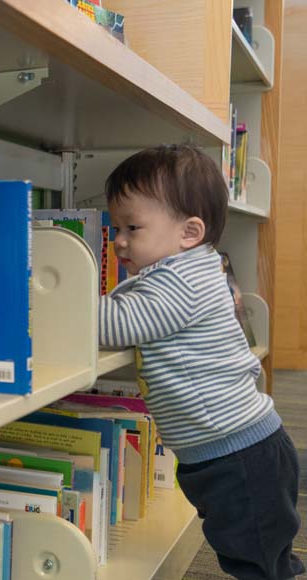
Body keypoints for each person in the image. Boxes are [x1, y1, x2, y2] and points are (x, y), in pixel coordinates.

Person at [100, 144, 303, 580]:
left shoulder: (181, 281)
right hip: (225, 452)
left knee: (253, 557)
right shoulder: (182, 269)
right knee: (255, 547)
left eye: (131, 227)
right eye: (114, 226)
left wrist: (53, 306)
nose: (118, 241)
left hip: (239, 456)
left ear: (189, 233)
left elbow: (116, 324)